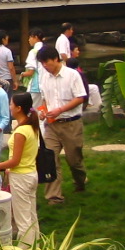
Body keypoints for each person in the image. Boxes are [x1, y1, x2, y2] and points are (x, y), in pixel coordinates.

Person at [37, 45, 88, 204]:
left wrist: (60, 110)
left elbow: (80, 98)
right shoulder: (44, 77)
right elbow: (45, 99)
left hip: (71, 123)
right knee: (50, 159)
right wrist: (43, 111)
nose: (45, 65)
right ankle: (54, 197)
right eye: (42, 63)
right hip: (51, 125)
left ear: (55, 59)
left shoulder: (72, 75)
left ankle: (80, 180)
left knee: (74, 160)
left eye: (46, 62)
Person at [0, 93, 41, 246]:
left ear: (19, 108)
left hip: (21, 177)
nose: (10, 107)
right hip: (31, 174)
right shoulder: (31, 127)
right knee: (31, 215)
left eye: (11, 104)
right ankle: (37, 246)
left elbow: (15, 161)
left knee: (23, 219)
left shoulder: (21, 132)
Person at [21, 27, 46, 110]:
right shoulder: (47, 50)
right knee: (43, 108)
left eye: (30, 37)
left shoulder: (33, 52)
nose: (29, 40)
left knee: (32, 109)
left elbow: (30, 72)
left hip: (36, 85)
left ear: (35, 37)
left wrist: (22, 74)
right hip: (47, 84)